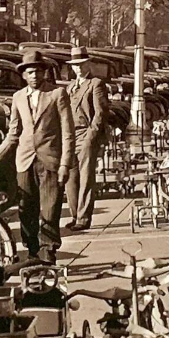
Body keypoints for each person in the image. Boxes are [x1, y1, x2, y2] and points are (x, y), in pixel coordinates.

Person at [0, 48, 76, 264]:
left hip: (50, 161)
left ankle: (48, 253)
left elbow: (68, 133)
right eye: (30, 72)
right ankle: (33, 251)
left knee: (50, 208)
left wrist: (65, 165)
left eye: (38, 71)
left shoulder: (57, 94)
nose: (34, 76)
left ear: (44, 73)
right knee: (26, 209)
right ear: (23, 75)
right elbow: (13, 134)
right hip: (25, 161)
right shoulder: (18, 97)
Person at [63, 48, 107, 232]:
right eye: (75, 66)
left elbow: (101, 112)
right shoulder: (69, 87)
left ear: (88, 64)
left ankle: (84, 217)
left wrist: (92, 135)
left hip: (86, 135)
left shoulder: (95, 84)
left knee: (86, 177)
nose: (79, 69)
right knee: (70, 179)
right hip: (70, 137)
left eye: (81, 65)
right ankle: (75, 215)